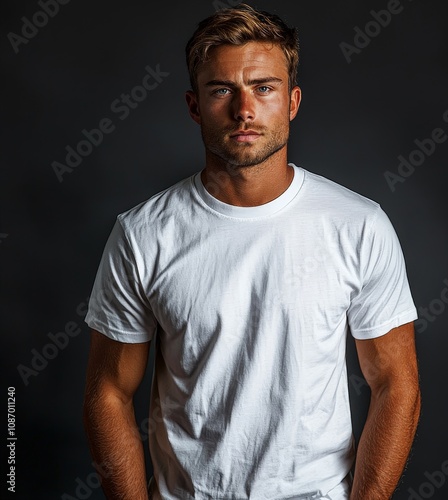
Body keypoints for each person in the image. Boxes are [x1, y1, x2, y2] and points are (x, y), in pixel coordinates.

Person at [82, 3, 421, 499]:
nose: (244, 109)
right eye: (222, 90)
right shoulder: (143, 234)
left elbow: (396, 383)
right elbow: (107, 394)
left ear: (293, 101)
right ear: (195, 105)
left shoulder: (358, 225)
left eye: (264, 88)